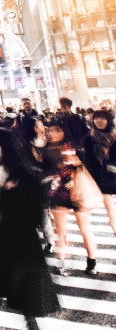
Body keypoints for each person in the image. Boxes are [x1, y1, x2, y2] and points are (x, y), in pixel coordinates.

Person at [0, 128, 61, 330]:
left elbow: (37, 213)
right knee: (23, 310)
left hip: (25, 252)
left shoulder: (25, 177)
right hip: (1, 252)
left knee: (28, 313)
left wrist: (11, 195)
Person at [42, 118, 101, 275]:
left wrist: (78, 162)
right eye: (50, 130)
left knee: (85, 228)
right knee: (60, 230)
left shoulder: (75, 146)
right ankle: (61, 262)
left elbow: (90, 163)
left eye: (57, 130)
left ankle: (92, 262)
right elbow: (43, 171)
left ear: (64, 131)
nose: (52, 133)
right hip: (58, 193)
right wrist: (55, 171)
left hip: (78, 191)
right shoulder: (45, 150)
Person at [83, 108, 116, 237]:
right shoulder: (89, 139)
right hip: (103, 179)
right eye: (96, 118)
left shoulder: (114, 136)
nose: (99, 121)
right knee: (110, 209)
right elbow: (89, 162)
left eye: (102, 118)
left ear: (108, 120)